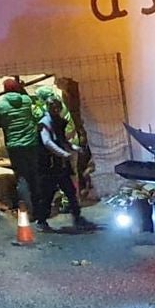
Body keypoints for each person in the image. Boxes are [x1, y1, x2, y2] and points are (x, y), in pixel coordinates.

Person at [36, 92, 97, 231]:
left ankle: (77, 217)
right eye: (53, 108)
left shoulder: (57, 121)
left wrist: (74, 148)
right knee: (48, 194)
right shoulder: (44, 123)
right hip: (49, 166)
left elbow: (62, 140)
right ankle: (41, 220)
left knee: (70, 191)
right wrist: (64, 153)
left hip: (58, 165)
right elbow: (47, 142)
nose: (56, 110)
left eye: (57, 108)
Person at [0, 77, 44, 226]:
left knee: (22, 178)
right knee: (34, 175)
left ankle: (28, 211)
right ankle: (40, 210)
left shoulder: (1, 104)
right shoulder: (26, 101)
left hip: (14, 146)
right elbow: (35, 115)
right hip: (31, 143)